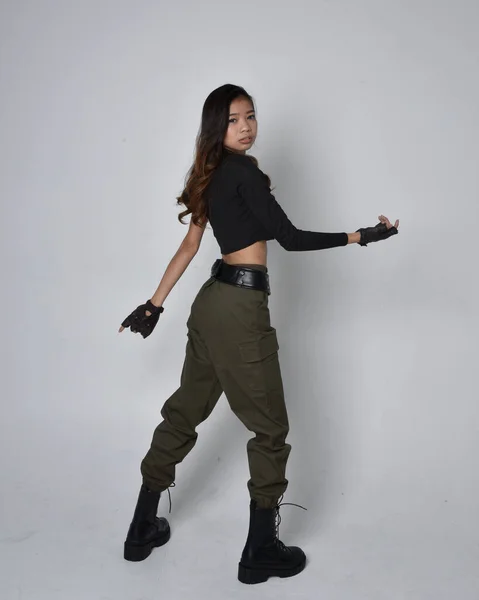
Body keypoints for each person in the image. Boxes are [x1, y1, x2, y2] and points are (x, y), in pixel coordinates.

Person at [118, 83, 399, 584]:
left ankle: (141, 529)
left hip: (209, 304)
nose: (246, 127)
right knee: (270, 429)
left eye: (250, 116)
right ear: (215, 127)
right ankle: (260, 551)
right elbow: (289, 239)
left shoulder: (208, 173)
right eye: (233, 120)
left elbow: (190, 245)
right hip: (241, 309)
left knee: (185, 410)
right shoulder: (244, 175)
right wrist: (360, 236)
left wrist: (154, 304)